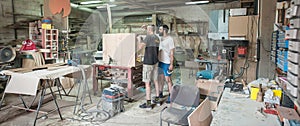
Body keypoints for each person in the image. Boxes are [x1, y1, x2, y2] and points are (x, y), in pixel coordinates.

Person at [138, 24, 161, 109]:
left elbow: (140, 47)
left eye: (147, 29)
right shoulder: (157, 38)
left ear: (149, 30)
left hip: (148, 63)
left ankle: (148, 104)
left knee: (147, 83)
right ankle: (158, 100)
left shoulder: (148, 37)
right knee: (156, 81)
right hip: (155, 62)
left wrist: (139, 39)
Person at [158, 25, 175, 103]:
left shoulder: (170, 39)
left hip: (167, 62)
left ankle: (171, 95)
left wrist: (171, 64)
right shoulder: (160, 38)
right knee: (160, 78)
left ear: (164, 30)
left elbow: (172, 53)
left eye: (160, 29)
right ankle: (160, 93)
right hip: (160, 61)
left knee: (168, 79)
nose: (159, 30)